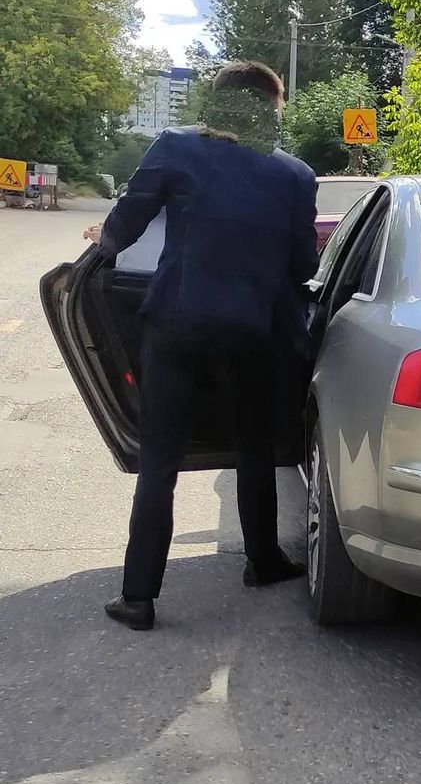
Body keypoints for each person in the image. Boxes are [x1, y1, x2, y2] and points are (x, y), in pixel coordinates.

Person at [84, 61, 319, 631]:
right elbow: (302, 267)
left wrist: (102, 244)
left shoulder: (176, 146)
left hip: (177, 326)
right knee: (254, 450)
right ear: (271, 108)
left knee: (160, 460)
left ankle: (138, 596)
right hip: (253, 333)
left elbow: (128, 223)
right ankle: (263, 560)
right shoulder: (295, 175)